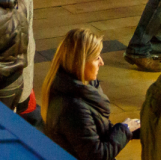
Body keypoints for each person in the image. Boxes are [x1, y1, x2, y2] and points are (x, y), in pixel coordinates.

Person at [42, 28, 138, 160]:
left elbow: (94, 129)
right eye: (96, 57)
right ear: (81, 62)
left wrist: (128, 129)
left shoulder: (81, 87)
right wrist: (123, 130)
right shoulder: (74, 107)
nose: (102, 62)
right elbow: (96, 155)